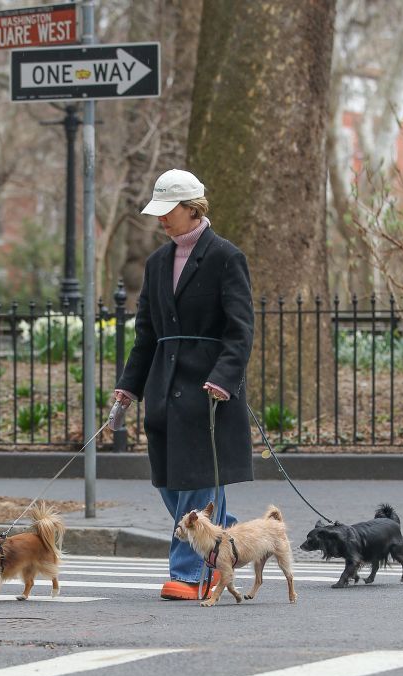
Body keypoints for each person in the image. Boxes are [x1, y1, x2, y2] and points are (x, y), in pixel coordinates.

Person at [115, 168, 254, 600]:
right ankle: (223, 553)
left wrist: (223, 378)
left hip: (208, 389)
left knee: (198, 481)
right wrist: (129, 386)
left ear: (193, 208)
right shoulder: (156, 262)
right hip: (163, 386)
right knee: (169, 481)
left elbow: (241, 328)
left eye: (168, 211)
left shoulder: (226, 257)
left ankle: (191, 571)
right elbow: (145, 332)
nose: (161, 219)